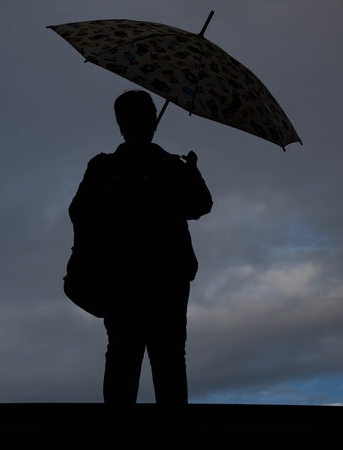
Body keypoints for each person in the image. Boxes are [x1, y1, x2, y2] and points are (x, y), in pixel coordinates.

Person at [68, 90, 213, 405]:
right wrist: (114, 190)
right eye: (132, 117)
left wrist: (191, 175)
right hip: (123, 276)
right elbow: (80, 212)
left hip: (168, 276)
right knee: (126, 352)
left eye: (145, 115)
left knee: (168, 355)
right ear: (122, 124)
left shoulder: (171, 165)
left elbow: (200, 205)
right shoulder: (104, 167)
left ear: (152, 122)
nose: (141, 122)